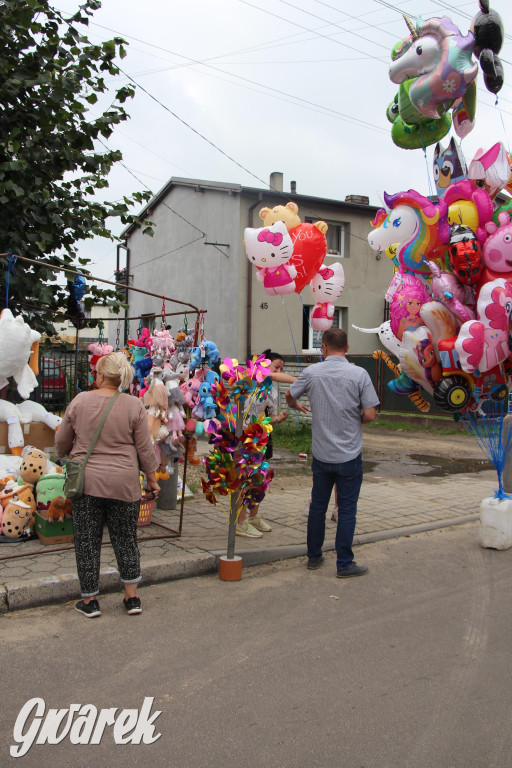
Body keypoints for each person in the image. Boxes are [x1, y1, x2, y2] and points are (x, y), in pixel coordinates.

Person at [55, 352, 160, 618]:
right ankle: (132, 598)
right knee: (125, 539)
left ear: (100, 375)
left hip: (87, 483)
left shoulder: (80, 401)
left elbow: (61, 442)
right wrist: (151, 478)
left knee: (88, 542)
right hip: (124, 484)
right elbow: (144, 447)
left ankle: (90, 602)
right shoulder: (134, 405)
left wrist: (69, 454)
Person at [285, 328, 379, 578]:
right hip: (349, 455)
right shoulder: (359, 374)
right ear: (347, 348)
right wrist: (355, 416)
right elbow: (370, 414)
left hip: (322, 454)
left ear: (323, 348)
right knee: (347, 509)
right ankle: (344, 564)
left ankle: (314, 557)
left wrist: (296, 405)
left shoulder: (311, 373)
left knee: (318, 506)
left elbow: (289, 395)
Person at [236, 350, 294, 538]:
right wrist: (298, 380)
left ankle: (253, 517)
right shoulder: (253, 379)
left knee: (259, 480)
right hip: (244, 438)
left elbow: (267, 417)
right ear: (263, 365)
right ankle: (240, 522)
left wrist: (277, 420)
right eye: (277, 366)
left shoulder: (272, 389)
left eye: (281, 368)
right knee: (243, 481)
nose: (278, 371)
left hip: (262, 439)